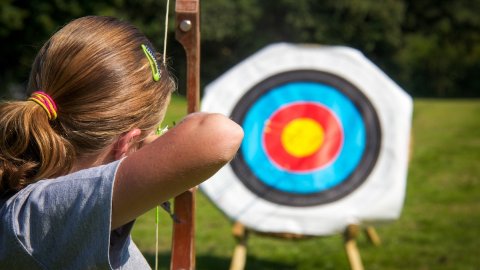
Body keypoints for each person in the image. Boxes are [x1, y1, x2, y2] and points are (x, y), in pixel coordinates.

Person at [0, 16, 243, 269]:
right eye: (155, 132)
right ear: (127, 142)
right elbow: (220, 134)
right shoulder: (39, 220)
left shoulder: (25, 209)